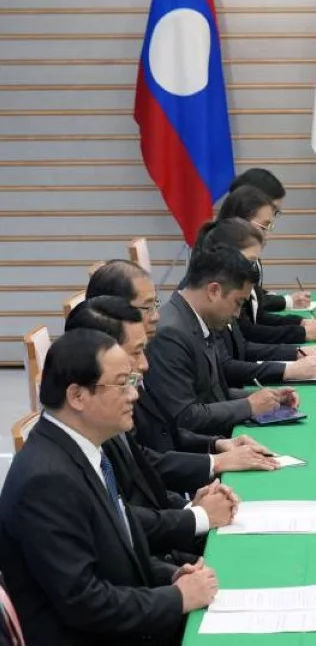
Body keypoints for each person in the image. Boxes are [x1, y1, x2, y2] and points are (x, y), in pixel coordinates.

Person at [0, 329, 218, 645]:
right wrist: (175, 599)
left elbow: (116, 548)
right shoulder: (46, 481)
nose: (134, 395)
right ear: (77, 396)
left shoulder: (84, 450)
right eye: (121, 384)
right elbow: (84, 602)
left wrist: (170, 576)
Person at [64, 298, 243, 559]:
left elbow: (142, 474)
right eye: (136, 352)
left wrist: (190, 505)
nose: (145, 364)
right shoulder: (78, 442)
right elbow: (116, 525)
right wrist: (196, 515)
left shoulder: (103, 419)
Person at [85, 259, 274, 461]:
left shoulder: (154, 342)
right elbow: (144, 455)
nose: (156, 316)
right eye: (147, 307)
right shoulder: (168, 334)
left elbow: (163, 432)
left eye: (155, 304)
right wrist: (215, 462)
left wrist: (215, 445)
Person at [145, 243, 300, 437]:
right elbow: (184, 417)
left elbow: (214, 396)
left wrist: (265, 397)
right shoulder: (170, 333)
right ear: (214, 291)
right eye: (238, 303)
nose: (237, 314)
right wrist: (248, 406)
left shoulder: (195, 319)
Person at [195, 218, 316, 372]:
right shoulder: (206, 307)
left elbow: (241, 347)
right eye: (251, 261)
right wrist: (288, 370)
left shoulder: (225, 294)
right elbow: (228, 366)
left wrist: (296, 352)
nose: (254, 268)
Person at [217, 185, 316, 342]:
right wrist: (301, 333)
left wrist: (301, 323)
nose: (266, 237)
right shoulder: (222, 268)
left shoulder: (247, 261)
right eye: (263, 227)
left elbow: (257, 317)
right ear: (239, 223)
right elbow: (247, 333)